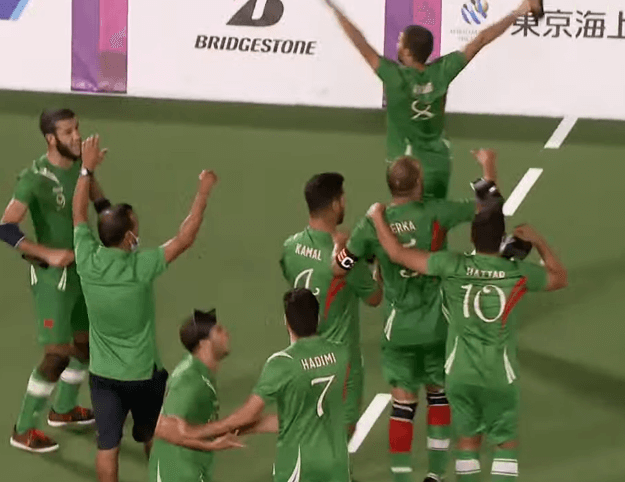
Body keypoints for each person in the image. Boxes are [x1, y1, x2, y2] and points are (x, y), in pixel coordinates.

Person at [365, 185, 568, 481]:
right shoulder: (517, 273)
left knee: (467, 444)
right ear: (501, 239)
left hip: (460, 374)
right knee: (504, 444)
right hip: (499, 374)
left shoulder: (451, 265)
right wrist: (538, 242)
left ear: (472, 238)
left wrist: (377, 217)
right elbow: (559, 277)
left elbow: (396, 253)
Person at [334, 151, 495, 482]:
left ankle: (401, 478)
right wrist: (486, 167)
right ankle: (435, 474)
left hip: (399, 329)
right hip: (438, 324)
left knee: (402, 405)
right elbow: (488, 205)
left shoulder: (371, 223)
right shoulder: (436, 212)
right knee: (438, 395)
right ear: (419, 183)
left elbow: (341, 266)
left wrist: (367, 272)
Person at [71, 135, 218, 482]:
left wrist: (86, 170)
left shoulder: (86, 258)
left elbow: (78, 214)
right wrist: (203, 193)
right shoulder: (142, 266)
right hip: (143, 376)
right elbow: (184, 238)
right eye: (135, 226)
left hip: (103, 376)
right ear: (127, 238)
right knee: (154, 437)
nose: (139, 230)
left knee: (107, 447)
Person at [322, 0, 543, 200]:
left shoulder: (394, 76)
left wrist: (335, 10)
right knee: (437, 222)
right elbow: (481, 40)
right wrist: (520, 11)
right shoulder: (443, 71)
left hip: (404, 169)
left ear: (408, 52)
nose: (397, 44)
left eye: (400, 41)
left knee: (409, 221)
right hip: (438, 165)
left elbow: (359, 41)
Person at [0, 109, 106, 453]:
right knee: (57, 356)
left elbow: (100, 202)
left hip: (82, 271)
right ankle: (23, 429)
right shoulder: (34, 178)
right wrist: (47, 253)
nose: (77, 136)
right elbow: (5, 228)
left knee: (85, 345)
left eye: (78, 128)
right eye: (68, 131)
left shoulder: (80, 167)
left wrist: (118, 230)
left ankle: (64, 409)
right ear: (50, 138)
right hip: (52, 279)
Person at [163, 288, 351, 482]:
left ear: (286, 322)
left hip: (300, 466)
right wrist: (238, 430)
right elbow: (310, 413)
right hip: (337, 464)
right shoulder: (341, 353)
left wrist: (200, 432)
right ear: (318, 318)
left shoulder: (283, 363)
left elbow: (248, 414)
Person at [279, 172, 382, 436]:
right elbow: (374, 297)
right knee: (339, 436)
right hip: (339, 364)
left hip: (303, 358)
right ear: (336, 204)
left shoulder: (290, 247)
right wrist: (378, 264)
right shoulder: (346, 261)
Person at [149, 309, 264, 482]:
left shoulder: (199, 372)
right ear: (204, 343)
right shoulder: (191, 380)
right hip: (178, 474)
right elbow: (163, 427)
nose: (226, 333)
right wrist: (213, 443)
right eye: (219, 330)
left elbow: (195, 426)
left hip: (188, 470)